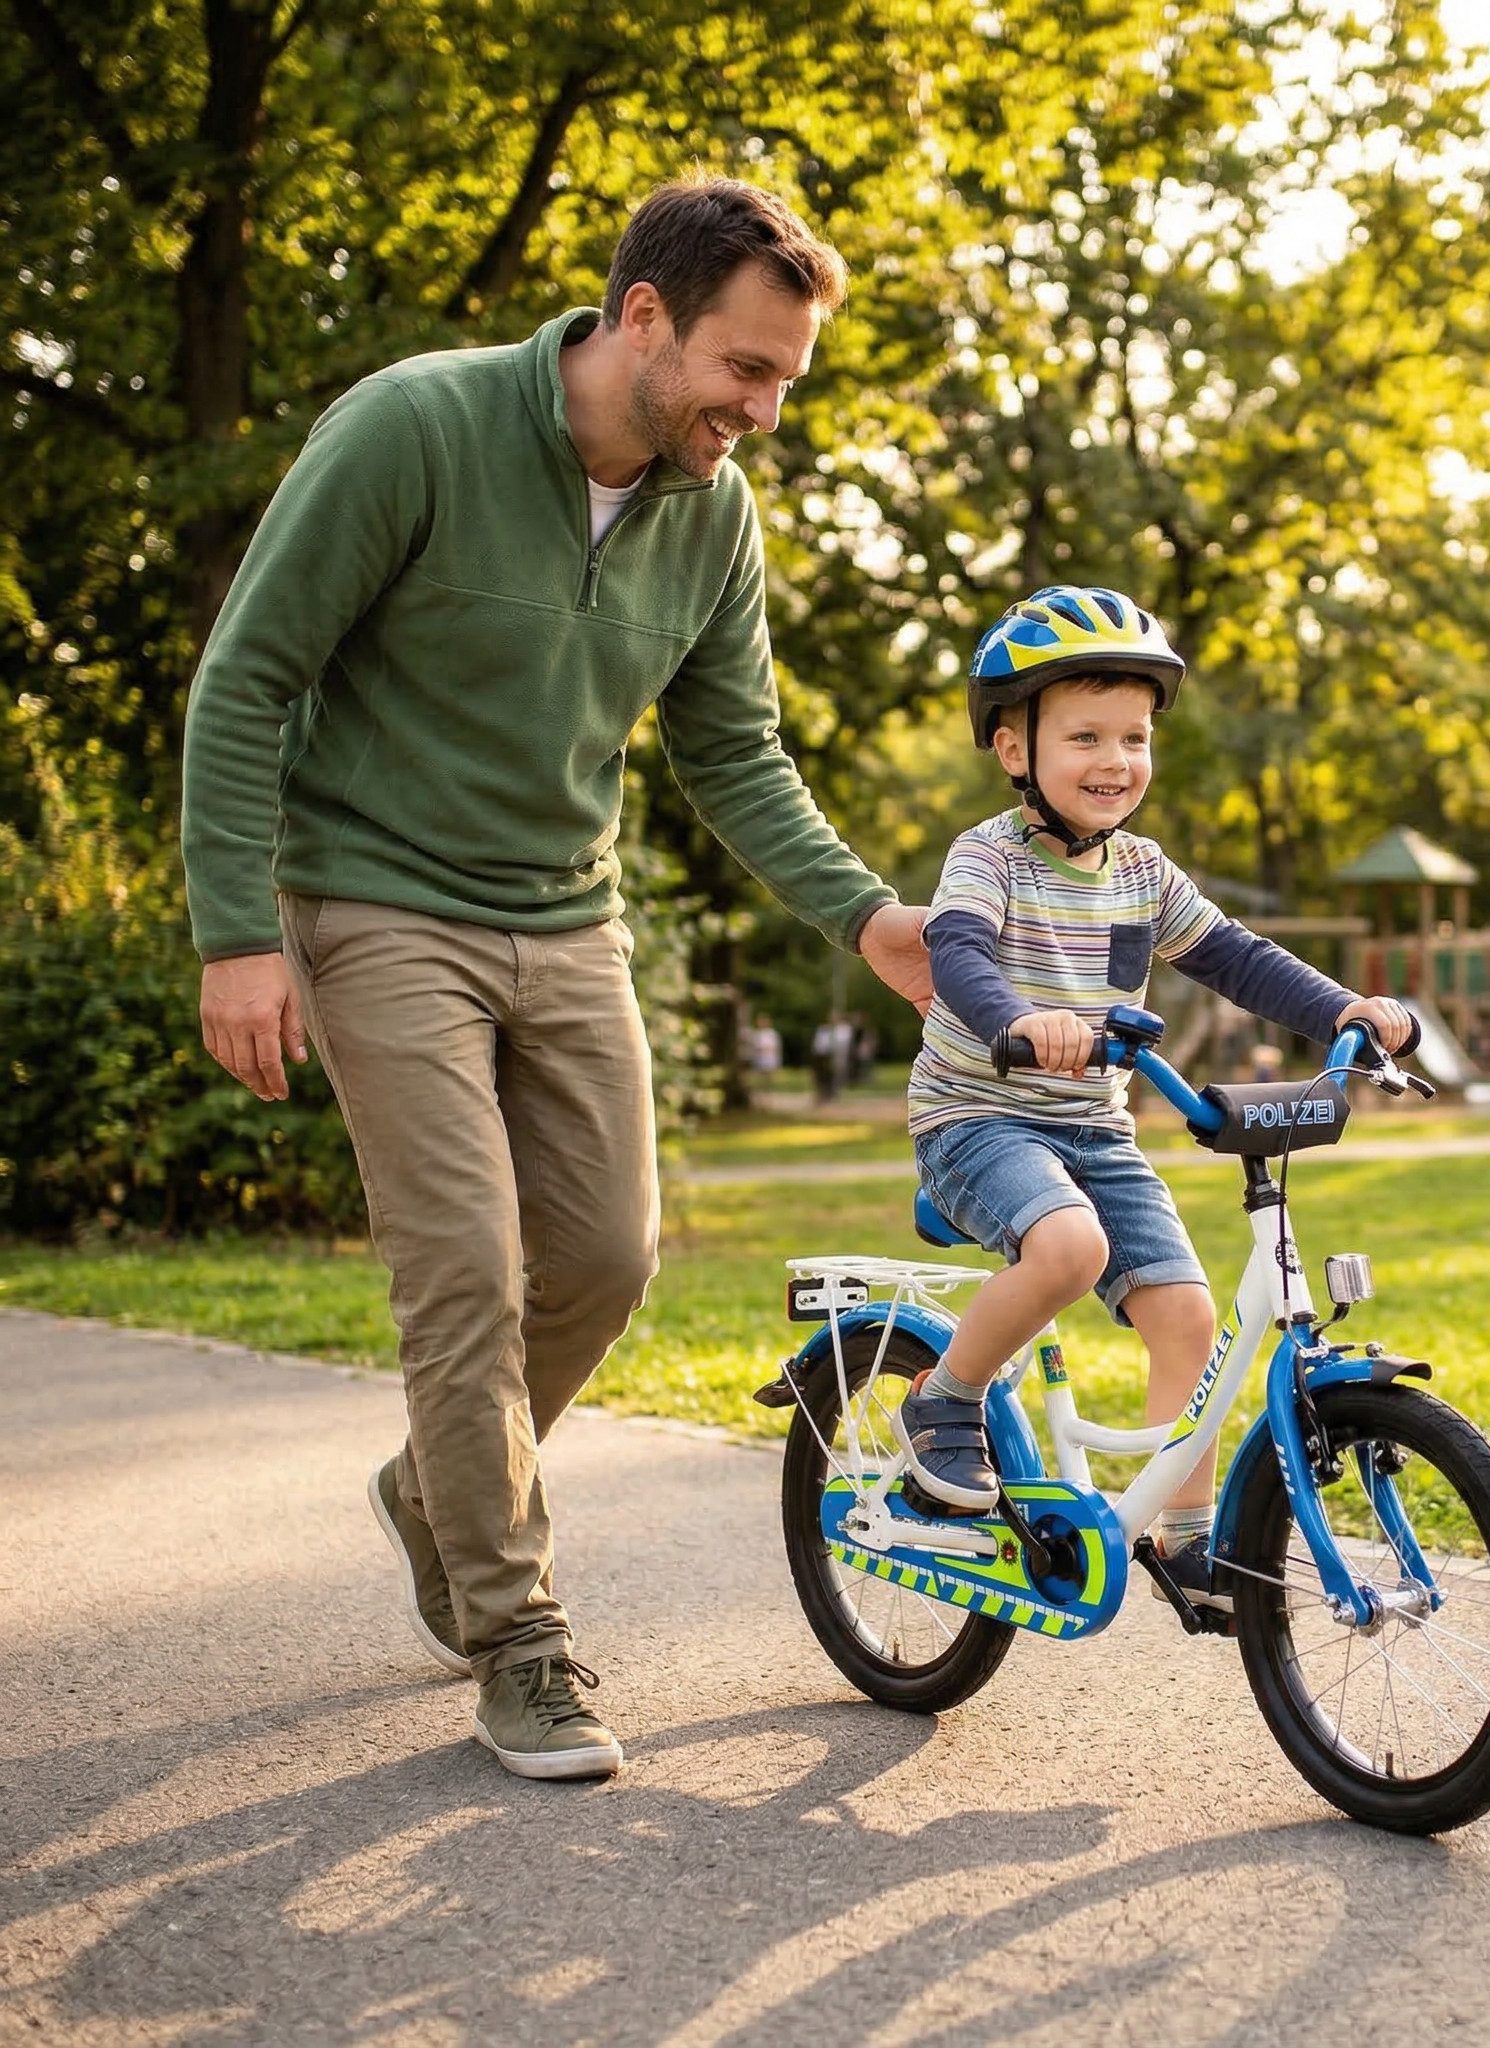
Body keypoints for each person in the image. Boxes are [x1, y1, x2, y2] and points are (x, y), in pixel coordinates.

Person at [180, 178, 932, 1783]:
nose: (766, 410)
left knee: (602, 1255)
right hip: (376, 899)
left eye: (788, 379)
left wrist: (870, 919)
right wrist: (237, 931)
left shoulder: (712, 515)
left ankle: (433, 1487)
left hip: (564, 913)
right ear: (641, 319)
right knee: (466, 1266)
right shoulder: (414, 430)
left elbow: (735, 756)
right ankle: (516, 1638)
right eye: (749, 369)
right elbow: (250, 676)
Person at [896, 585, 1414, 1612]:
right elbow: (952, 948)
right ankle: (943, 1397)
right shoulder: (986, 855)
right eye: (1082, 733)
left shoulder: (1142, 869)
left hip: (1093, 1126)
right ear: (1012, 749)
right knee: (1069, 1248)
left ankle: (1184, 1540)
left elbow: (1233, 955)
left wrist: (1342, 1007)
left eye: (1132, 735)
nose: (1113, 759)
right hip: (976, 1117)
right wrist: (1015, 1017)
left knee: (1185, 1315)